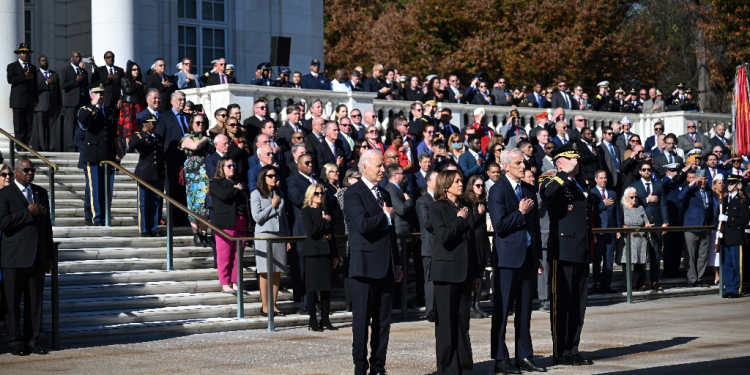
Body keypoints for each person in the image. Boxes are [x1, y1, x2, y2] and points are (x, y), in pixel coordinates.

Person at [344, 150, 403, 375]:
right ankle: (360, 368)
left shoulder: (384, 193)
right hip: (364, 267)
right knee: (361, 322)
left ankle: (378, 367)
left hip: (386, 266)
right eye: (378, 165)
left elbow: (391, 233)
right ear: (364, 167)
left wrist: (396, 263)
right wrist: (386, 216)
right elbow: (363, 224)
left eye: (384, 166)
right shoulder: (353, 193)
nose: (382, 170)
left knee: (383, 323)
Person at [488, 148, 545, 374]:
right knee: (502, 311)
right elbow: (500, 226)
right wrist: (520, 212)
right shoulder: (497, 191)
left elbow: (535, 228)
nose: (524, 166)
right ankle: (501, 359)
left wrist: (537, 256)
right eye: (519, 163)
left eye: (525, 162)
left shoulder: (529, 189)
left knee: (525, 311)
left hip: (528, 258)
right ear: (505, 166)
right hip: (508, 258)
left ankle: (524, 355)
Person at [539, 142, 595, 366]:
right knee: (561, 304)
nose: (577, 163)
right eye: (572, 159)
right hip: (562, 251)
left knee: (577, 305)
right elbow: (548, 195)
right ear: (560, 162)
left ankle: (573, 348)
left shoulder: (579, 184)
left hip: (580, 250)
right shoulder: (552, 180)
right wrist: (562, 172)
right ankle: (560, 352)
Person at [428, 169, 482, 374]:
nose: (461, 184)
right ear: (446, 184)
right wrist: (459, 219)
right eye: (457, 181)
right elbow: (443, 237)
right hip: (446, 272)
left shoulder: (466, 206)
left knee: (462, 323)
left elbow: (471, 242)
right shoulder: (437, 208)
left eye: (461, 180)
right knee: (446, 325)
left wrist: (476, 273)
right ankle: (447, 368)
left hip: (465, 271)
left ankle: (465, 367)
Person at [0, 158, 54, 356]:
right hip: (13, 258)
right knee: (12, 304)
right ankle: (15, 343)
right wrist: (27, 213)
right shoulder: (5, 194)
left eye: (33, 170)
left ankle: (33, 341)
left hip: (36, 258)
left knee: (34, 303)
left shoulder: (40, 192)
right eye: (26, 170)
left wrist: (48, 256)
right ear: (16, 171)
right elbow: (3, 222)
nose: (30, 173)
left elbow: (47, 227)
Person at [75, 84, 119, 226]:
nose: (101, 96)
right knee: (95, 187)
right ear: (91, 95)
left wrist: (118, 153)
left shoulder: (110, 112)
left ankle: (106, 214)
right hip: (93, 154)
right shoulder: (85, 110)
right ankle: (96, 217)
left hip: (107, 154)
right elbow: (82, 120)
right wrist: (92, 106)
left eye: (102, 94)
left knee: (107, 187)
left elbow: (113, 134)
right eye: (97, 93)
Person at [250, 165, 290, 316]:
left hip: (279, 235)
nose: (274, 178)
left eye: (275, 176)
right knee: (265, 271)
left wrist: (287, 238)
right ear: (263, 177)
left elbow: (284, 218)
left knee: (277, 272)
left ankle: (274, 305)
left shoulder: (279, 193)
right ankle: (265, 306)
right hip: (264, 235)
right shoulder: (256, 194)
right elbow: (257, 217)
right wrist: (272, 206)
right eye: (271, 176)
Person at [301, 183, 339, 331]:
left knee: (326, 288)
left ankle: (325, 319)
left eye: (322, 193)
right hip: (313, 252)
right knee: (312, 288)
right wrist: (324, 221)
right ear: (311, 194)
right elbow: (312, 232)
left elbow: (331, 235)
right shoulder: (307, 211)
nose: (320, 196)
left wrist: (335, 254)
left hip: (327, 251)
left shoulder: (325, 210)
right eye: (317, 193)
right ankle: (312, 320)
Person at [285, 154, 320, 313]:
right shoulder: (292, 180)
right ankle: (301, 302)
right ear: (298, 165)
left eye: (312, 162)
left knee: (314, 268)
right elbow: (298, 199)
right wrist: (316, 195)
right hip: (301, 229)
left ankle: (314, 301)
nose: (310, 164)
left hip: (317, 228)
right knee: (301, 268)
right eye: (307, 162)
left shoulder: (317, 180)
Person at [210, 157, 250, 294]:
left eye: (234, 165)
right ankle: (225, 283)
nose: (233, 167)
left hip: (241, 220)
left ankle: (236, 282)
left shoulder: (239, 182)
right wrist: (235, 189)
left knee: (238, 255)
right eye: (229, 166)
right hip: (226, 223)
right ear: (221, 168)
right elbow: (223, 196)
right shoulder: (216, 182)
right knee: (224, 255)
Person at [630, 161, 668, 291]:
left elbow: (663, 204)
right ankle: (640, 282)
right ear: (640, 171)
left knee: (656, 254)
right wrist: (647, 200)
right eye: (644, 170)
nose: (647, 172)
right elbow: (631, 203)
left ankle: (655, 281)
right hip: (640, 223)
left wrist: (665, 222)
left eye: (649, 169)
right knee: (641, 253)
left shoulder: (658, 185)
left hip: (656, 222)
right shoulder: (634, 186)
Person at [180, 114, 213, 246]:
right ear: (192, 124)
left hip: (206, 173)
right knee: (194, 204)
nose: (201, 125)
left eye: (203, 123)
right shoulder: (187, 137)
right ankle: (196, 233)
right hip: (193, 175)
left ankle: (204, 233)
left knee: (205, 204)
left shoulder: (208, 138)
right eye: (198, 123)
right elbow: (194, 147)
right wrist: (205, 139)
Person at [128, 116, 164, 237]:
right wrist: (143, 132)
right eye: (150, 124)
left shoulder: (158, 137)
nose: (153, 126)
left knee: (156, 202)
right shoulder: (139, 135)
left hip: (157, 174)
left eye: (154, 124)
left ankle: (153, 228)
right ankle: (144, 229)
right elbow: (131, 145)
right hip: (144, 173)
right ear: (144, 124)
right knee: (144, 203)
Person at [679, 169, 713, 287]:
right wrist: (691, 184)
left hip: (705, 226)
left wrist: (710, 226)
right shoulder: (691, 190)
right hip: (691, 225)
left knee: (703, 254)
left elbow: (710, 209)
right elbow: (680, 197)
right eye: (700, 179)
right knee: (691, 254)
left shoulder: (708, 191)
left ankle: (700, 278)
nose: (702, 181)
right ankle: (692, 279)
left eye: (704, 179)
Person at [463, 174, 491, 319]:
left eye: (482, 185)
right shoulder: (468, 202)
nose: (480, 188)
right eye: (477, 186)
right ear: (471, 187)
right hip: (472, 241)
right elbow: (470, 224)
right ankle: (470, 306)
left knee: (480, 273)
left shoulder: (483, 201)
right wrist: (480, 214)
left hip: (482, 240)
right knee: (472, 274)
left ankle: (477, 304)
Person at [719, 174, 749, 298]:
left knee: (738, 265)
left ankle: (737, 289)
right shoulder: (724, 199)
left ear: (737, 185)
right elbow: (718, 216)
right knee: (727, 265)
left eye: (732, 183)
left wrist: (728, 219)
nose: (729, 185)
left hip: (736, 236)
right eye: (728, 183)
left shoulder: (742, 200)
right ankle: (730, 288)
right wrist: (719, 226)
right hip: (725, 236)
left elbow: (744, 219)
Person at [618, 186, 654, 290]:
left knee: (639, 261)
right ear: (626, 198)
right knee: (627, 261)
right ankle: (628, 285)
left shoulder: (640, 208)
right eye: (632, 197)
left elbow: (646, 220)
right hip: (628, 238)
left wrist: (647, 225)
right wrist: (629, 229)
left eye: (636, 197)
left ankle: (637, 284)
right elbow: (620, 223)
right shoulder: (622, 209)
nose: (634, 199)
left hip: (640, 238)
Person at [591, 171, 621, 294]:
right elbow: (592, 210)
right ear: (596, 179)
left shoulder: (612, 193)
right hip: (598, 232)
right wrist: (603, 204)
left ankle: (606, 284)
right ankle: (597, 285)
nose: (604, 180)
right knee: (597, 260)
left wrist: (618, 228)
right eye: (601, 178)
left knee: (609, 260)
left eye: (605, 178)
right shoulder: (592, 193)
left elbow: (617, 212)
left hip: (611, 231)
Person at [337, 168, 362, 311]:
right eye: (356, 178)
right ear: (349, 179)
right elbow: (345, 209)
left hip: (357, 234)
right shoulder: (343, 192)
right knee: (348, 268)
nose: (359, 181)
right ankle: (350, 302)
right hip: (347, 235)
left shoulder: (359, 192)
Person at [416, 170, 438, 322]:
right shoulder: (422, 201)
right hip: (430, 246)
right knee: (430, 280)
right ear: (428, 183)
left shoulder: (443, 200)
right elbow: (427, 223)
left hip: (443, 245)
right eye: (437, 180)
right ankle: (430, 310)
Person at [7, 43, 38, 150]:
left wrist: (36, 99)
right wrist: (24, 77)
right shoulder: (12, 66)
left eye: (26, 53)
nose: (25, 55)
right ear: (19, 54)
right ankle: (19, 145)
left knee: (29, 124)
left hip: (29, 100)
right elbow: (10, 80)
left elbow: (35, 85)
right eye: (22, 53)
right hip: (18, 100)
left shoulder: (33, 68)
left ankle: (26, 144)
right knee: (19, 124)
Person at [33, 55, 61, 151]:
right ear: (39, 63)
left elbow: (58, 91)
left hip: (53, 107)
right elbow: (35, 90)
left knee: (52, 130)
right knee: (41, 130)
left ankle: (51, 149)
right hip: (40, 107)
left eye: (46, 60)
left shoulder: (55, 74)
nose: (44, 62)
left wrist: (59, 106)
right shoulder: (35, 75)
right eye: (42, 60)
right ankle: (42, 149)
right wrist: (46, 83)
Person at [118, 61, 145, 147]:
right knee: (128, 127)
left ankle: (137, 145)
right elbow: (127, 90)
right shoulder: (124, 79)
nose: (136, 71)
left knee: (138, 126)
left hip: (138, 105)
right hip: (128, 105)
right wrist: (137, 85)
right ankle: (128, 146)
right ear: (130, 70)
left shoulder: (139, 81)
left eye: (137, 69)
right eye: (134, 69)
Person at [707, 175, 725, 285]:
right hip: (715, 226)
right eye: (719, 183)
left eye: (723, 182)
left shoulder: (726, 196)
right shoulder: (712, 196)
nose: (722, 184)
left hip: (724, 226)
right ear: (714, 184)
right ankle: (716, 274)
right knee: (715, 252)